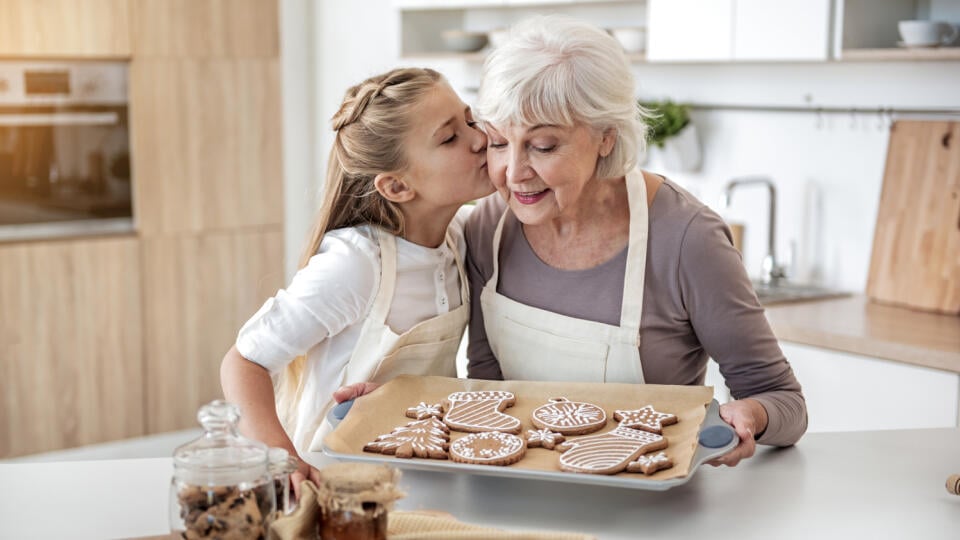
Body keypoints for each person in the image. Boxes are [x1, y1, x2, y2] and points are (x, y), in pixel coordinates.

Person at [464, 15, 807, 467]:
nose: (512, 172)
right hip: (515, 499)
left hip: (651, 505)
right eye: (497, 143)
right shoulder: (488, 229)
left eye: (543, 146)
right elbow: (486, 390)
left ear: (606, 137)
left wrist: (751, 415)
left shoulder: (687, 240)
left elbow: (784, 401)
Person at [220, 67, 493, 490]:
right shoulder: (356, 264)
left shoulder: (460, 238)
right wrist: (282, 459)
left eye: (471, 119)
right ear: (397, 187)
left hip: (420, 472)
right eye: (450, 137)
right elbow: (243, 362)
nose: (480, 139)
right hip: (335, 481)